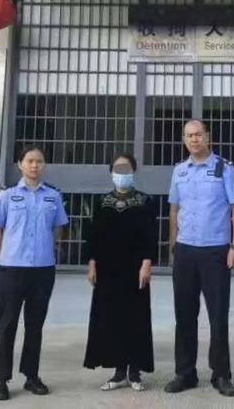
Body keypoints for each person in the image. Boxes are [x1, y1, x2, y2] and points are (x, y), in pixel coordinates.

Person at [164, 119, 234, 397]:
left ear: (207, 136)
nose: (194, 139)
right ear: (184, 140)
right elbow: (174, 209)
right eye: (189, 135)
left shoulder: (224, 168)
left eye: (198, 134)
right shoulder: (179, 171)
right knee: (184, 314)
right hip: (185, 250)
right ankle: (185, 373)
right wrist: (173, 245)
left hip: (215, 250)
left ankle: (221, 374)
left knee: (218, 315)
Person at [0, 145, 69, 401]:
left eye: (39, 161)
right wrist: (2, 254)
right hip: (12, 268)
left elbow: (58, 228)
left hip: (42, 270)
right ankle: (1, 379)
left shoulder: (53, 196)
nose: (35, 165)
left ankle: (31, 376)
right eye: (30, 161)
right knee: (6, 324)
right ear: (20, 164)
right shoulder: (8, 196)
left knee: (35, 325)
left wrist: (47, 248)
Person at [83, 154, 156, 392]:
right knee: (111, 318)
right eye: (117, 169)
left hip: (135, 269)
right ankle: (118, 373)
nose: (121, 173)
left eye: (126, 169)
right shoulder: (102, 202)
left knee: (135, 318)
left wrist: (147, 262)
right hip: (108, 270)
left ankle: (134, 372)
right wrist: (92, 262)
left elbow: (150, 235)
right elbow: (94, 236)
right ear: (111, 172)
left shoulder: (145, 201)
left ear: (134, 171)